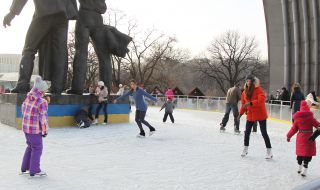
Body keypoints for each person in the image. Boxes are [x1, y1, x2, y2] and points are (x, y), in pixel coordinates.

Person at [3, 0, 78, 94]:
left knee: (29, 49)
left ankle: (22, 85)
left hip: (44, 11)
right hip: (63, 13)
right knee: (60, 52)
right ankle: (58, 86)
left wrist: (12, 12)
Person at [20, 76, 49, 177]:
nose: (46, 92)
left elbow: (23, 109)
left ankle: (25, 167)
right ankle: (35, 170)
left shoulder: (28, 97)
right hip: (35, 130)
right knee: (37, 148)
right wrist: (45, 131)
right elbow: (43, 118)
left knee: (30, 146)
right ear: (41, 90)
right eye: (45, 90)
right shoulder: (42, 102)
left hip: (26, 128)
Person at [238, 75, 273, 159]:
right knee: (247, 132)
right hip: (250, 114)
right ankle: (245, 149)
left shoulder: (259, 90)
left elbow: (261, 101)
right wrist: (240, 114)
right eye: (247, 81)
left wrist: (250, 103)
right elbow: (243, 104)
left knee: (264, 132)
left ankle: (269, 151)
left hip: (260, 113)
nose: (248, 83)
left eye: (250, 81)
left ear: (254, 82)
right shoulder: (244, 92)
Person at [287, 101, 320, 177]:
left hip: (301, 138)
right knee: (307, 154)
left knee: (300, 154)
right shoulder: (311, 118)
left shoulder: (297, 119)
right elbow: (318, 125)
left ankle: (299, 167)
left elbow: (293, 129)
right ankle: (305, 169)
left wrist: (288, 136)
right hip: (309, 137)